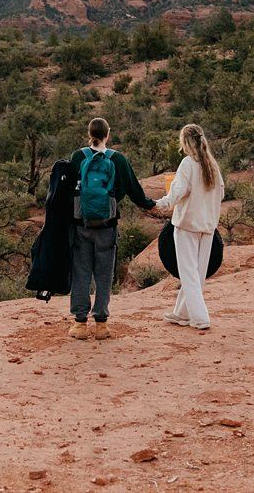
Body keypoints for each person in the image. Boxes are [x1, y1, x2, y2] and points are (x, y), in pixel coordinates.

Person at [67, 117, 156, 340]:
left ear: (89, 133)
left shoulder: (78, 157)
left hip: (81, 225)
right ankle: (101, 325)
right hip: (107, 226)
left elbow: (66, 190)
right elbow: (134, 189)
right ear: (108, 133)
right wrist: (149, 205)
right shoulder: (117, 159)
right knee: (104, 275)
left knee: (81, 273)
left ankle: (79, 324)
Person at [150, 123, 224, 331]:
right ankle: (181, 313)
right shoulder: (212, 165)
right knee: (197, 272)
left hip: (187, 225)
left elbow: (177, 192)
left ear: (184, 142)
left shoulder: (188, 164)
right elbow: (221, 193)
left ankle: (200, 318)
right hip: (208, 225)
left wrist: (161, 203)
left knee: (188, 272)